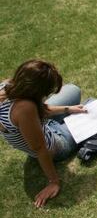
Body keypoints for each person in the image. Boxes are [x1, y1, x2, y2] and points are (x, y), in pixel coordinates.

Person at [0, 59, 87, 208]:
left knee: (73, 90)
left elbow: (41, 110)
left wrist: (68, 109)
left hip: (41, 127)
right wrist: (54, 182)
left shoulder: (7, 85)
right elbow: (40, 149)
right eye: (47, 93)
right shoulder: (25, 108)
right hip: (56, 144)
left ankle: (68, 116)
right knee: (91, 107)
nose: (47, 95)